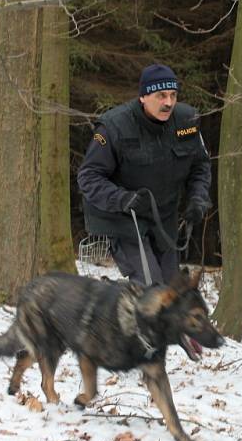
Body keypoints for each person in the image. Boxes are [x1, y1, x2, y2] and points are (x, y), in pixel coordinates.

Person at [77, 63, 211, 285]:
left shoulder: (187, 121)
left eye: (173, 95)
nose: (168, 102)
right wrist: (122, 199)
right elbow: (89, 177)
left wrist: (198, 198)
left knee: (172, 291)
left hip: (164, 218)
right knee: (151, 287)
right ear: (143, 97)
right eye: (161, 95)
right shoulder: (113, 127)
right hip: (124, 219)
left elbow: (201, 166)